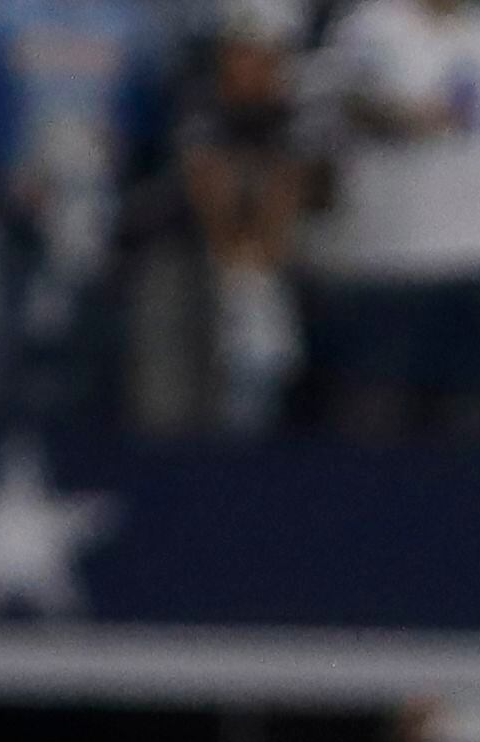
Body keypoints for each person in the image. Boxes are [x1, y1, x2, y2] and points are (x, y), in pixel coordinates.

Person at [304, 0, 480, 437]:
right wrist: (402, 116)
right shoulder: (368, 27)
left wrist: (433, 117)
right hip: (385, 261)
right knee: (373, 422)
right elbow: (352, 104)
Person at [0, 0, 167, 420]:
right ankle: (5, 429)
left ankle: (99, 433)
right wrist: (7, 173)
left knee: (97, 327)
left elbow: (148, 108)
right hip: (19, 196)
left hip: (100, 198)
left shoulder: (130, 21)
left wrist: (121, 157)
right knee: (11, 326)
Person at [178, 0, 312, 436]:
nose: (249, 65)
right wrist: (233, 254)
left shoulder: (291, 111)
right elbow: (205, 182)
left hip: (274, 266)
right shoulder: (202, 105)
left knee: (262, 366)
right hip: (198, 263)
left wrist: (260, 255)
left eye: (261, 54)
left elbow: (287, 187)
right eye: (239, 52)